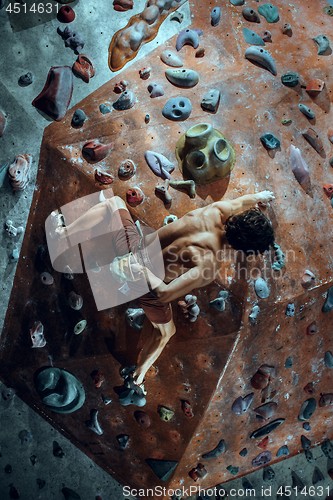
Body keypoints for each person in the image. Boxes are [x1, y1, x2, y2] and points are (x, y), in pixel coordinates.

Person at [55, 190, 275, 406]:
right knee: (166, 332)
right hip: (140, 282)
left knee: (113, 203)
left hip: (134, 248)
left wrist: (259, 197)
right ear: (244, 250)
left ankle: (64, 234)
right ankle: (137, 378)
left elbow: (241, 201)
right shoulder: (210, 264)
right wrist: (141, 272)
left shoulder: (216, 211)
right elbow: (164, 293)